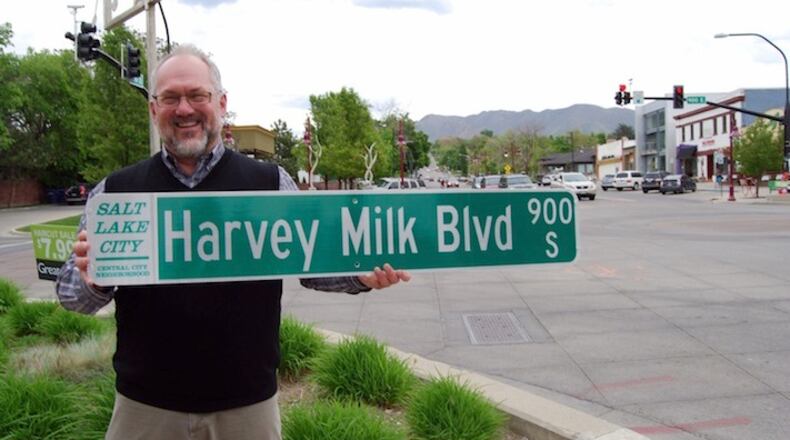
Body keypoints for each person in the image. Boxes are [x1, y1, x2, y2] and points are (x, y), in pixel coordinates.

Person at [55, 44, 410, 440]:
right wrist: (94, 278)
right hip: (145, 408)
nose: (184, 109)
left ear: (221, 103)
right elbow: (72, 296)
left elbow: (313, 268)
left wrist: (361, 276)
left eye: (197, 95)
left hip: (247, 407)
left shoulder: (271, 185)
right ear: (154, 109)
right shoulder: (115, 194)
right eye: (170, 98)